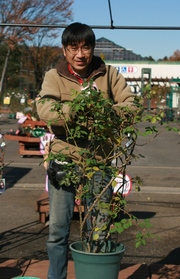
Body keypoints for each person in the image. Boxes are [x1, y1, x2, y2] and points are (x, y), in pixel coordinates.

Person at [36, 22, 135, 279]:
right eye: (74, 48)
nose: (80, 54)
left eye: (86, 47)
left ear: (92, 49)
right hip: (64, 159)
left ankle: (94, 275)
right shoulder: (53, 76)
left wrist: (105, 112)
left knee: (99, 226)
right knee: (58, 227)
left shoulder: (109, 74)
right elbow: (45, 107)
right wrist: (75, 112)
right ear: (65, 49)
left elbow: (132, 105)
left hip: (99, 158)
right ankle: (56, 276)